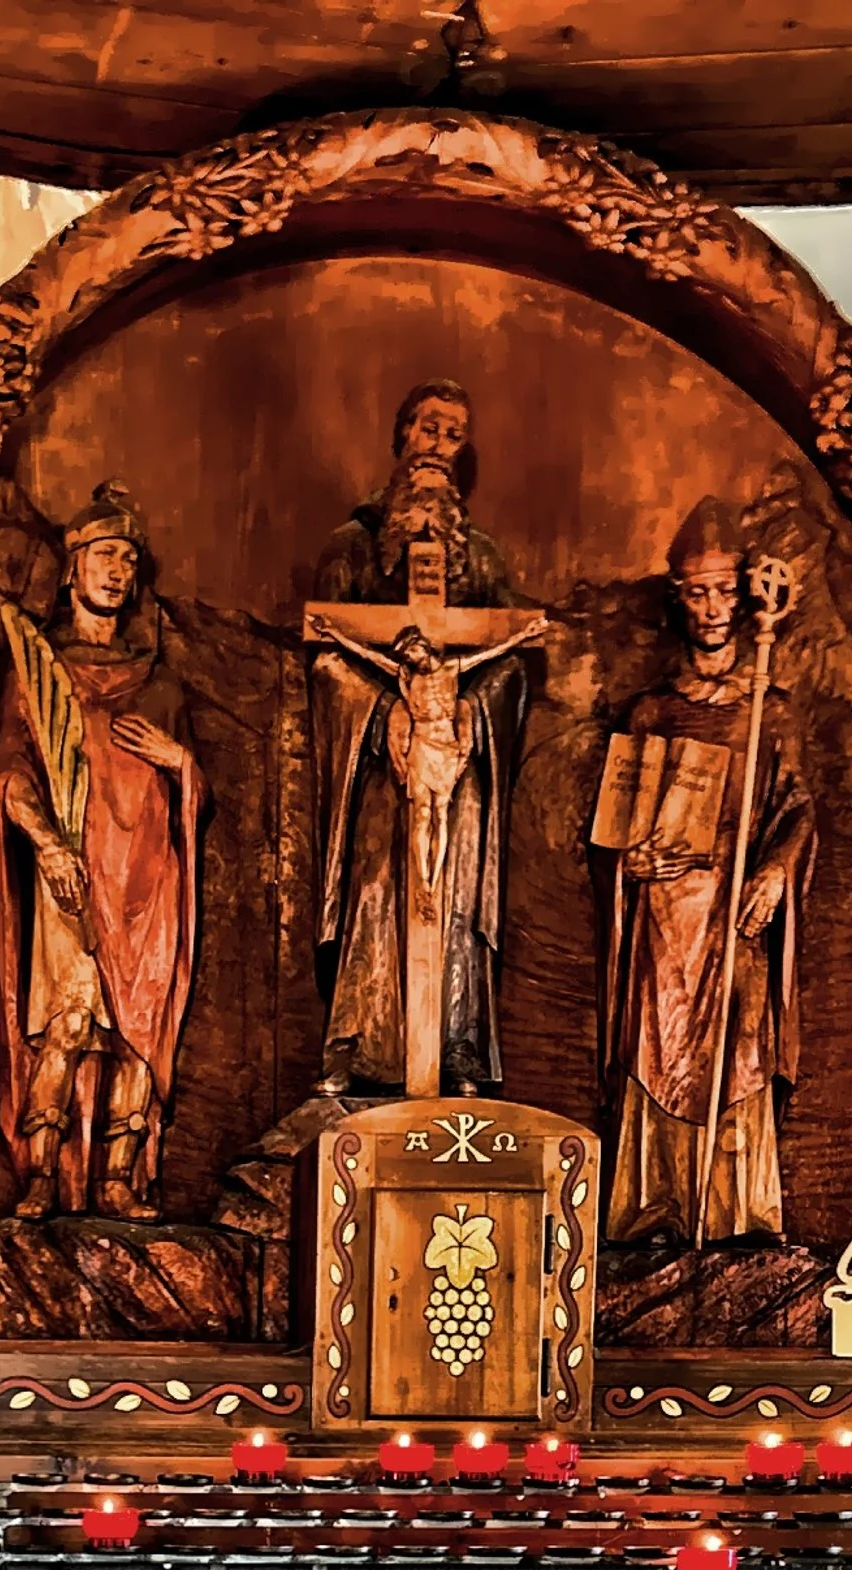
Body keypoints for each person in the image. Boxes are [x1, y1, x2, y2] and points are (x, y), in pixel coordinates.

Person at [307, 381, 532, 1095]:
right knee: (379, 883)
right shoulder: (353, 547)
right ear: (401, 436)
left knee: (453, 890)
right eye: (428, 427)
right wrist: (386, 716)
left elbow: (509, 662)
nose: (438, 444)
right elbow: (328, 655)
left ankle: (456, 1041)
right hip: (381, 763)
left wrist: (463, 717)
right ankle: (361, 1042)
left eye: (453, 434)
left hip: (456, 764)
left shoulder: (482, 561)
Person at [601, 497, 814, 1247]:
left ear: (745, 595)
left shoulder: (769, 711)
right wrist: (631, 861)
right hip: (667, 915)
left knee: (741, 1044)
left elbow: (797, 808)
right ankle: (657, 1208)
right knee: (658, 1044)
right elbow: (619, 822)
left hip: (734, 904)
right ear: (679, 600)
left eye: (725, 590)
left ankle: (735, 1214)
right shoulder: (651, 713)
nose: (714, 608)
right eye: (698, 593)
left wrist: (775, 872)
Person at [0, 483, 200, 1221]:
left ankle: (117, 1177)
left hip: (147, 874)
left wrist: (179, 762)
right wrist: (48, 844)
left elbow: (192, 789)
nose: (118, 571)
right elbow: (12, 774)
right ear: (73, 567)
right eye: (105, 555)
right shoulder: (40, 673)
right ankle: (43, 1174)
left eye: (129, 560)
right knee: (70, 1020)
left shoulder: (159, 683)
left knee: (139, 1032)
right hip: (75, 867)